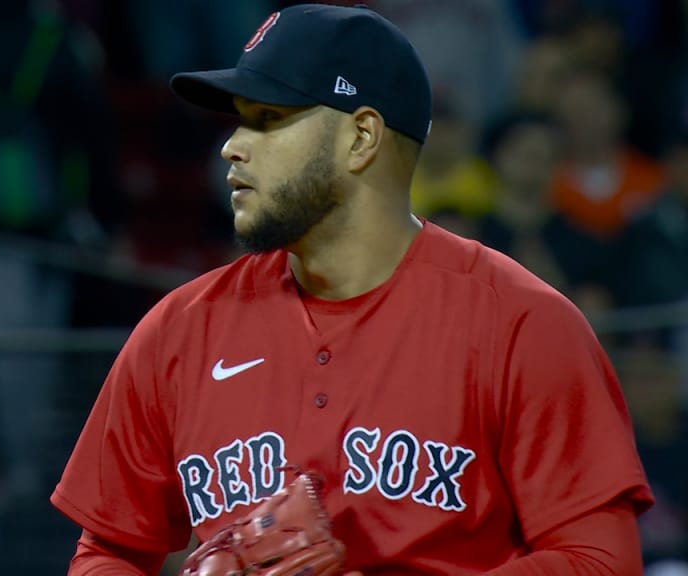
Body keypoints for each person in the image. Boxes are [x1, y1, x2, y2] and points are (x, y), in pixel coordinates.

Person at [51, 4, 653, 574]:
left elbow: (601, 560)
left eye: (267, 119)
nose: (232, 145)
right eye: (239, 119)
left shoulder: (522, 325)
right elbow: (107, 548)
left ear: (362, 138)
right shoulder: (179, 331)